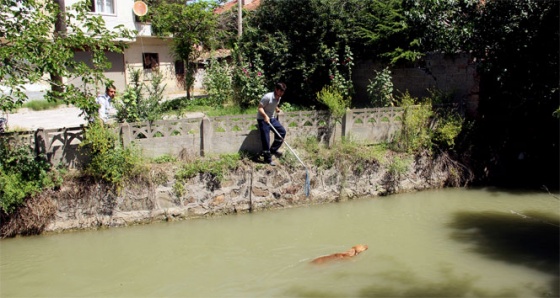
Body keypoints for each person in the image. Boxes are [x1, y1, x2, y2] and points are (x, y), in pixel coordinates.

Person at [257, 82, 287, 166]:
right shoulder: (267, 97)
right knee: (266, 138)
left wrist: (277, 109)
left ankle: (273, 150)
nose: (282, 93)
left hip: (271, 118)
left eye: (283, 92)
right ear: (276, 90)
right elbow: (260, 108)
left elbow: (275, 104)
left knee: (282, 132)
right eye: (280, 91)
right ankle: (267, 159)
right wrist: (265, 116)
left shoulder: (279, 98)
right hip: (262, 119)